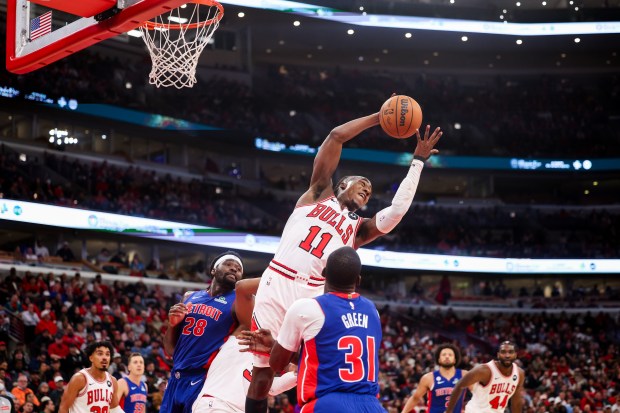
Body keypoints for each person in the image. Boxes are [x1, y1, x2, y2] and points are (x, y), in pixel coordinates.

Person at [246, 109, 443, 412]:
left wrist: (417, 161)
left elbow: (397, 211)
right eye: (361, 184)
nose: (367, 189)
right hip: (277, 281)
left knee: (313, 364)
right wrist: (380, 117)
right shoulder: (317, 194)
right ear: (341, 185)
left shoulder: (359, 230)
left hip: (314, 294)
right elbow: (335, 136)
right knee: (261, 376)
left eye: (370, 191)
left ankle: (285, 381)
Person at [241, 246, 385, 413]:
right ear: (358, 280)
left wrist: (273, 346)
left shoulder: (308, 308)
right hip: (372, 406)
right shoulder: (373, 311)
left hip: (328, 404)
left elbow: (277, 363)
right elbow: (332, 358)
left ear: (324, 274)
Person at [160, 251, 256, 413]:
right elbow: (170, 350)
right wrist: (173, 325)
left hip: (204, 378)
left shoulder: (238, 302)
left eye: (238, 268)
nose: (234, 269)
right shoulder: (189, 297)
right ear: (213, 270)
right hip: (176, 376)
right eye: (229, 265)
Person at [192, 278, 296, 413]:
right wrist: (278, 278)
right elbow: (242, 288)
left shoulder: (267, 352)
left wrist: (296, 374)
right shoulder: (244, 333)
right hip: (217, 404)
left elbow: (271, 387)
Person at [445, 341, 525, 413]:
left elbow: (516, 402)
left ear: (515, 355)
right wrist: (449, 411)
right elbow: (459, 385)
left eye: (510, 352)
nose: (507, 355)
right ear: (498, 355)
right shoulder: (484, 370)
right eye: (503, 352)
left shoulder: (519, 374)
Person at [401, 344, 469, 413]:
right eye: (444, 355)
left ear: (455, 360)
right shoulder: (428, 378)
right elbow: (415, 398)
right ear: (439, 359)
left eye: (450, 355)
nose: (447, 357)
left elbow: (477, 391)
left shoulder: (464, 375)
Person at [58, 341, 122, 413]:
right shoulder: (80, 379)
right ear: (91, 358)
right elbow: (63, 408)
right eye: (100, 354)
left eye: (107, 354)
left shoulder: (112, 381)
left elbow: (114, 409)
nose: (104, 357)